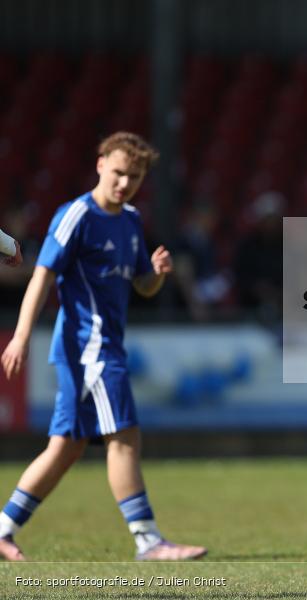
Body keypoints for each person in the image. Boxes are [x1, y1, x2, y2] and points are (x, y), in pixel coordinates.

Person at [0, 132, 206, 562]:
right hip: (88, 347)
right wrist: (21, 335)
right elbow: (42, 276)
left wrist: (157, 273)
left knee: (65, 448)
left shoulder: (130, 221)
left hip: (100, 346)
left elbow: (142, 286)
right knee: (124, 436)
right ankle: (148, 540)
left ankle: (3, 529)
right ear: (99, 165)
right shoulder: (77, 215)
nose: (123, 183)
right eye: (117, 173)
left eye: (133, 176)